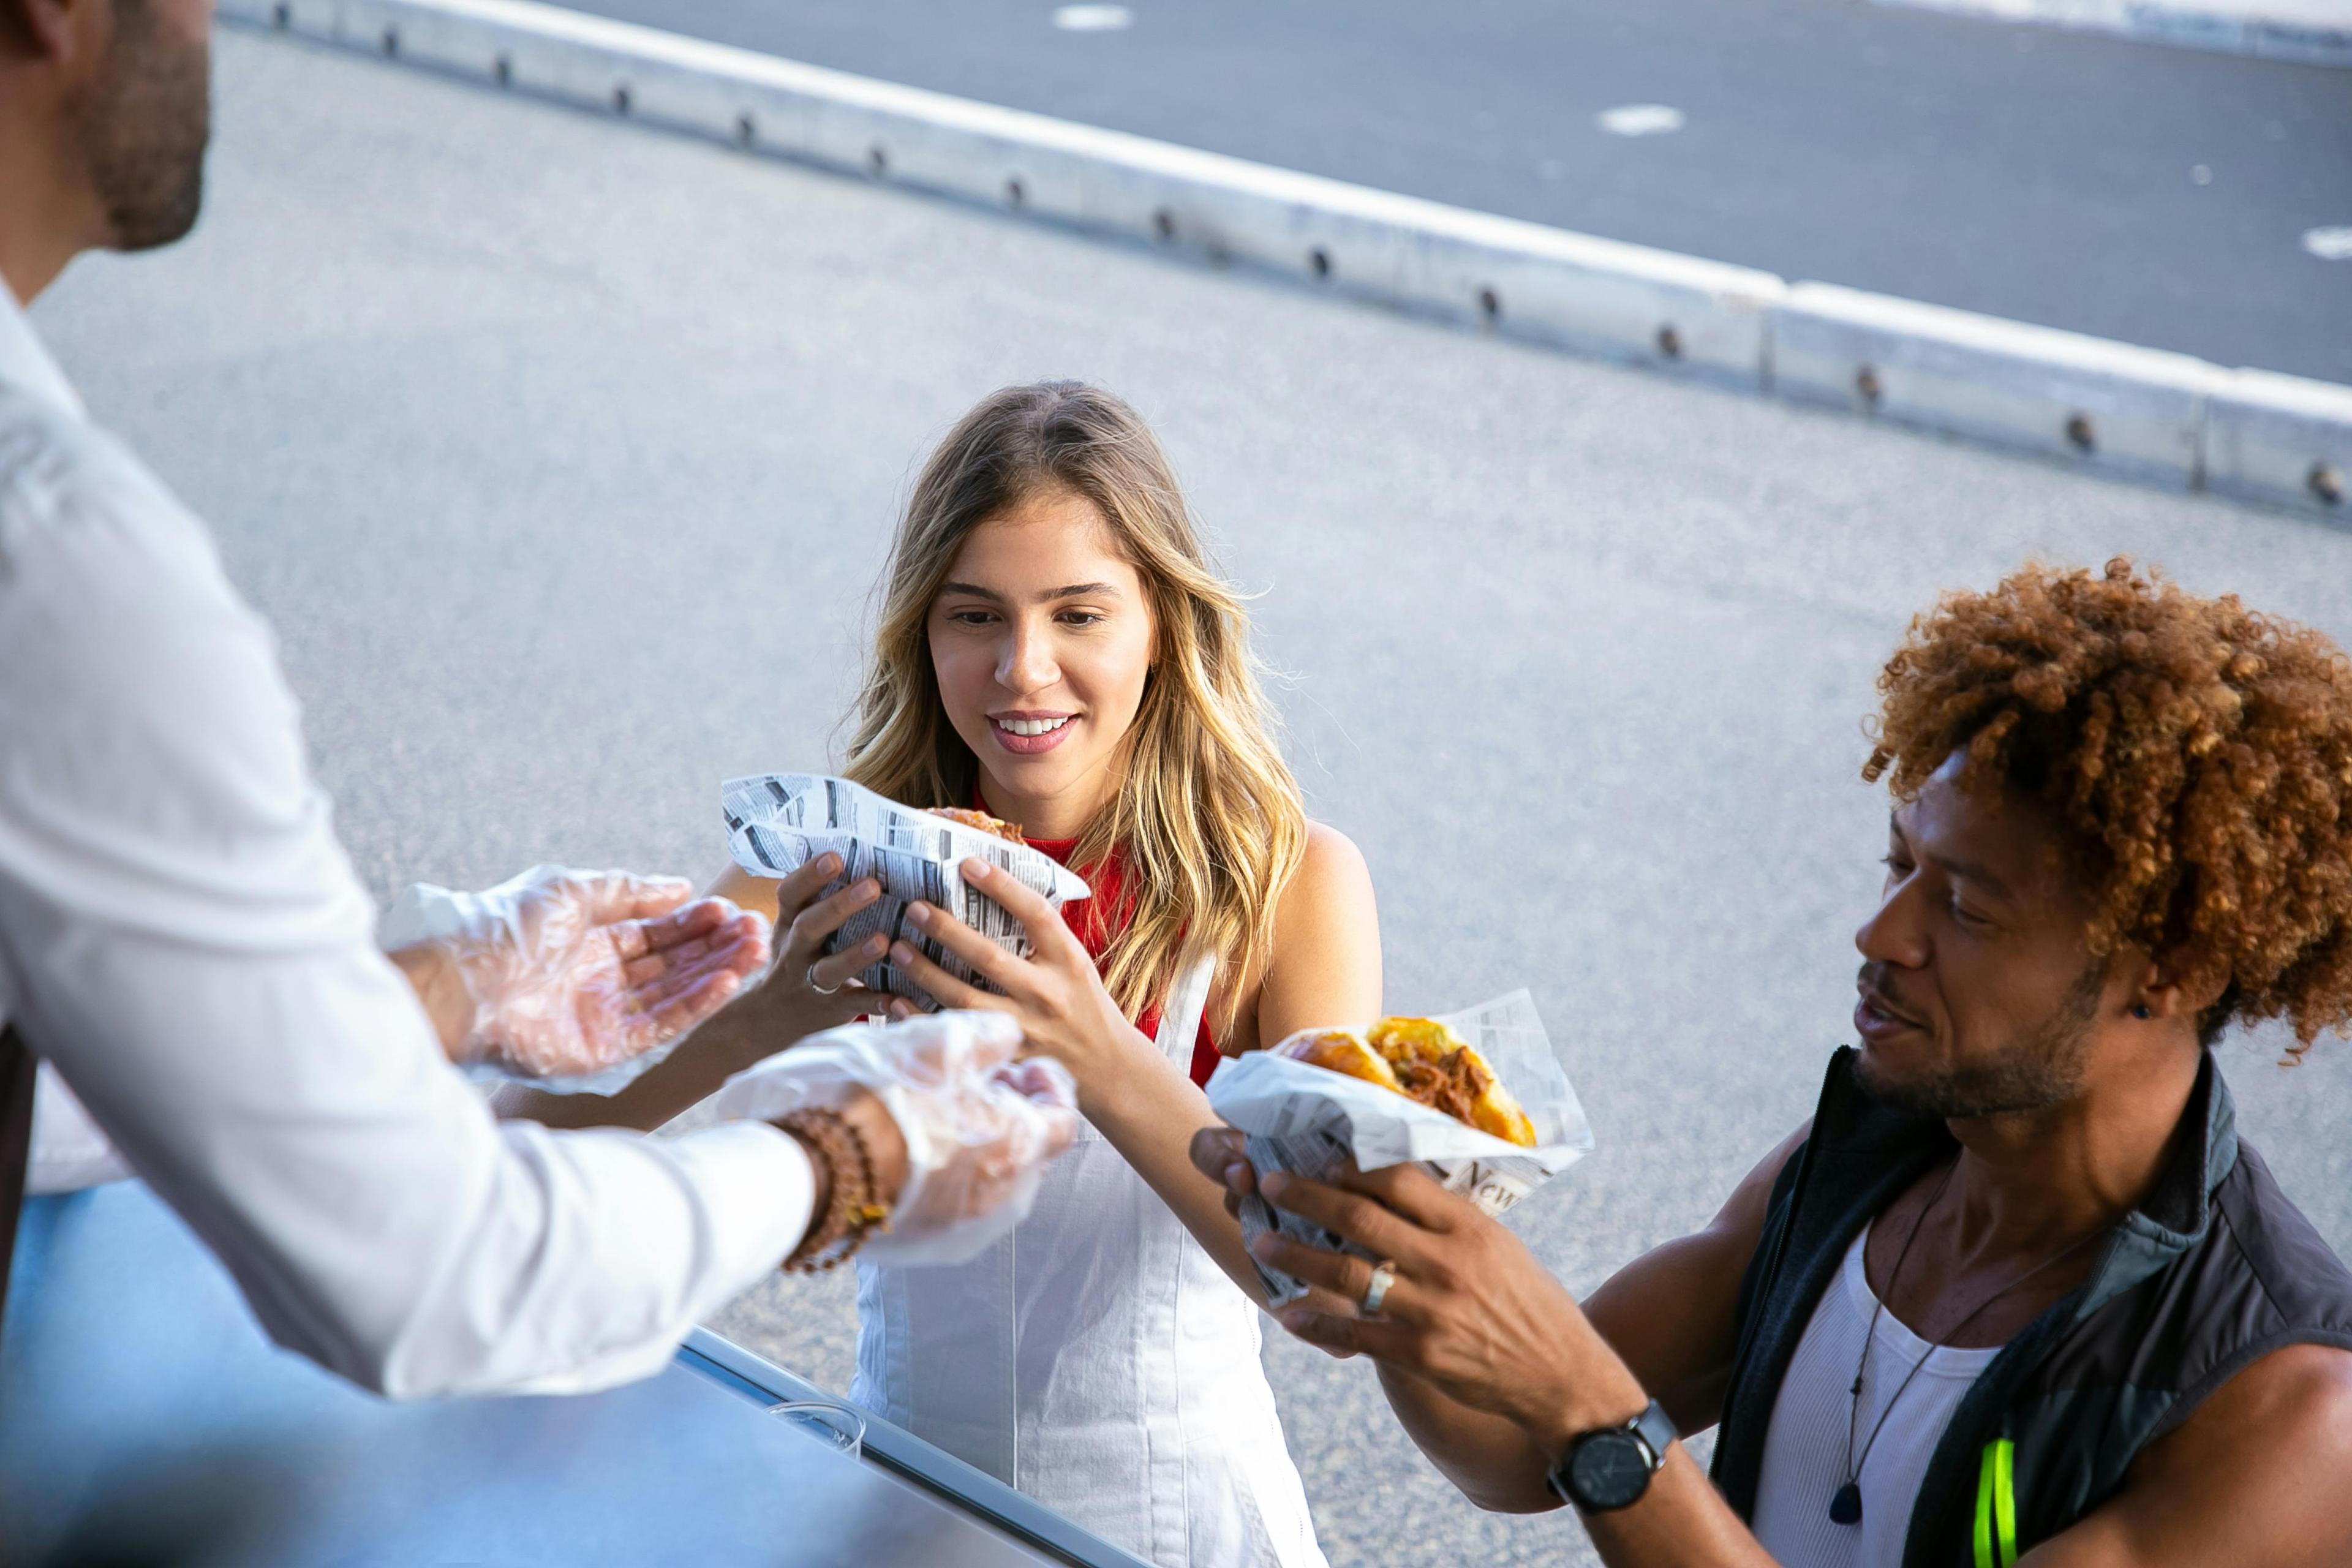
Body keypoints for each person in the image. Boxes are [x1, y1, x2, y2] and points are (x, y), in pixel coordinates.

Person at [0, 0, 1076, 1398]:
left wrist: (448, 980)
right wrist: (852, 1154)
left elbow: (131, 1058)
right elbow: (435, 1275)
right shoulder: (61, 561)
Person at [1197, 560, 2352, 1567]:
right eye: (1897, 865)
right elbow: (1505, 1452)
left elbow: (1569, 1415)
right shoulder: (1854, 1170)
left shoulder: (2284, 1409)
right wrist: (1390, 1243)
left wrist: (1592, 1414)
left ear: (2177, 968)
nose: (1882, 934)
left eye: (1965, 905)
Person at [508, 382, 1383, 1566]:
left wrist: (1099, 1058)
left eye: (1079, 615)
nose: (1024, 670)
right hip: (899, 1514)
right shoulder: (813, 870)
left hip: (1182, 1535)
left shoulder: (1288, 885)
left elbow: (1333, 1297)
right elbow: (531, 1148)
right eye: (976, 616)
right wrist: (758, 1023)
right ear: (923, 630)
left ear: (1164, 623)